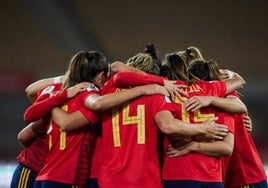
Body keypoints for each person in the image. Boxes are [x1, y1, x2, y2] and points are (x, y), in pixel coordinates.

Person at [21, 50, 172, 188]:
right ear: (101, 76)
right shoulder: (94, 94)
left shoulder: (64, 94)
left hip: (46, 173)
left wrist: (56, 99)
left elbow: (24, 132)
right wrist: (155, 84)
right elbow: (78, 116)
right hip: (74, 176)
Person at [97, 52, 229, 188]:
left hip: (110, 179)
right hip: (146, 179)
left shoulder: (109, 90)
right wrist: (204, 128)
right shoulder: (157, 94)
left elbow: (117, 68)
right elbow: (168, 126)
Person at [160, 55, 245, 188]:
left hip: (177, 170)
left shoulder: (168, 90)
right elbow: (239, 81)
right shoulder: (213, 90)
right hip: (211, 176)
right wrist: (226, 73)